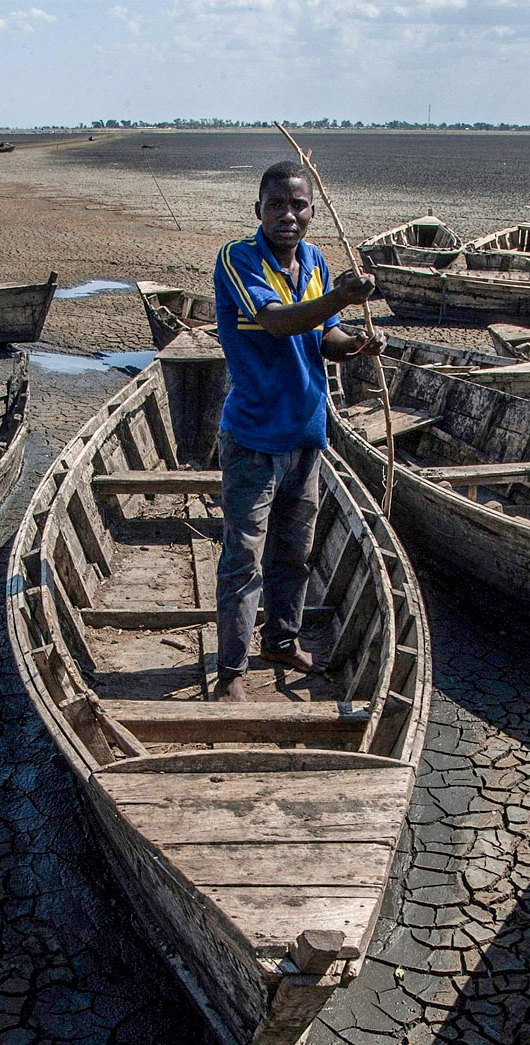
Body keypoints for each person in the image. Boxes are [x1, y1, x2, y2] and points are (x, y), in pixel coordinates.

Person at [211, 160, 382, 703]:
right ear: (257, 210)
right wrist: (342, 299)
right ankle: (232, 671)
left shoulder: (315, 260)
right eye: (277, 205)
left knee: (294, 553)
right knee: (243, 558)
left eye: (299, 205)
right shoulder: (238, 258)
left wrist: (355, 343)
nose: (289, 215)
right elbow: (277, 321)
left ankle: (281, 641)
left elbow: (324, 337)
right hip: (254, 439)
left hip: (307, 435)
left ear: (311, 211)